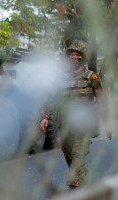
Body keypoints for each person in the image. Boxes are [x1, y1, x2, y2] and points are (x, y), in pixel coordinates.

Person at [40, 40, 112, 189]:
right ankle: (81, 180)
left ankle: (74, 185)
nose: (74, 57)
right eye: (71, 54)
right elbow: (52, 97)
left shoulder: (92, 77)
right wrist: (45, 117)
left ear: (83, 57)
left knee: (78, 154)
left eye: (77, 55)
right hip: (64, 124)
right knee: (69, 155)